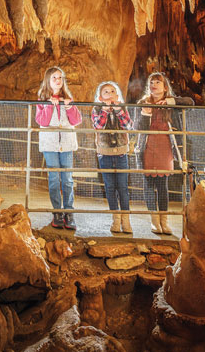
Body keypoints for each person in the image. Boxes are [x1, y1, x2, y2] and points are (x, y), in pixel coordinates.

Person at [134, 72, 193, 235]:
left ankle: (164, 220)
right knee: (148, 184)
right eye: (151, 82)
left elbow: (190, 102)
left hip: (165, 146)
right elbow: (137, 127)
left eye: (157, 82)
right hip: (147, 146)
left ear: (165, 87)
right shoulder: (143, 103)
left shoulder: (171, 103)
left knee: (162, 185)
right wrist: (146, 113)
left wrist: (170, 102)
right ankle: (154, 221)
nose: (154, 85)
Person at [35, 66, 81, 230]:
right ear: (48, 80)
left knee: (67, 179)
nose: (57, 80)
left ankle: (69, 212)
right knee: (54, 178)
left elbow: (77, 120)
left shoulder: (68, 98)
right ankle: (57, 212)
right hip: (50, 144)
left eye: (60, 77)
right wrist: (50, 105)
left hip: (66, 143)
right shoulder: (42, 99)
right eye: (54, 77)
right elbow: (42, 121)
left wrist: (69, 107)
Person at [91, 81, 134, 234]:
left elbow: (128, 126)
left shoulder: (122, 108)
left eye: (112, 91)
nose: (109, 94)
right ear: (100, 97)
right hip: (105, 154)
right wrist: (104, 111)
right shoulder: (96, 109)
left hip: (121, 153)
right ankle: (115, 218)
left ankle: (126, 220)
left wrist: (118, 111)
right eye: (106, 92)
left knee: (123, 187)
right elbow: (98, 126)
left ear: (117, 95)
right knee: (110, 187)